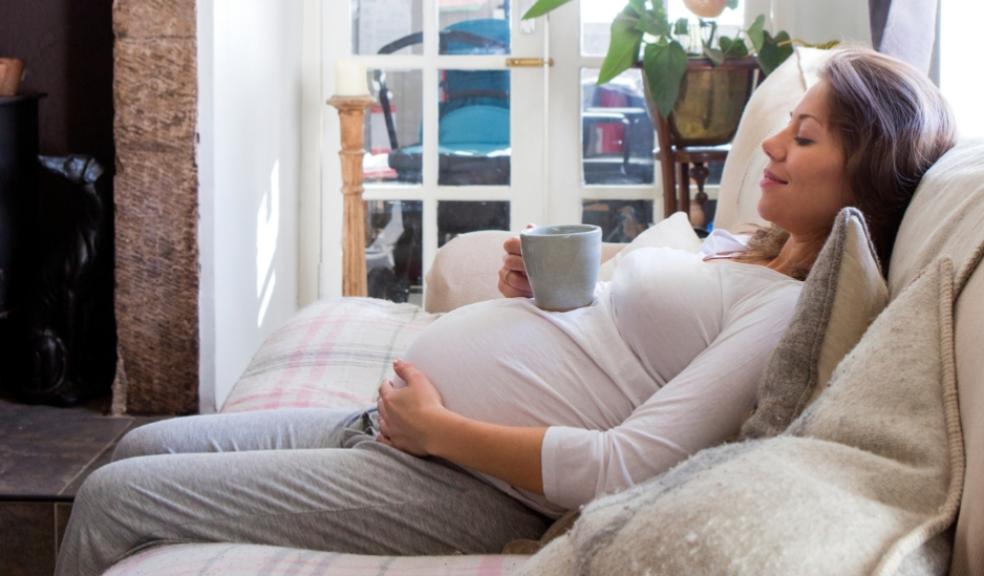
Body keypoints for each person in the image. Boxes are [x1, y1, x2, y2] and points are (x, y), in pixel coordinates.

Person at [55, 48, 955, 576]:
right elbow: (619, 355)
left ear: (865, 172)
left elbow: (624, 464)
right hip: (395, 429)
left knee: (113, 500)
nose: (769, 144)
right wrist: (558, 296)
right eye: (784, 124)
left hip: (461, 482)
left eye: (804, 136)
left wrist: (443, 430)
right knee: (137, 446)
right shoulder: (744, 253)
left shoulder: (783, 315)